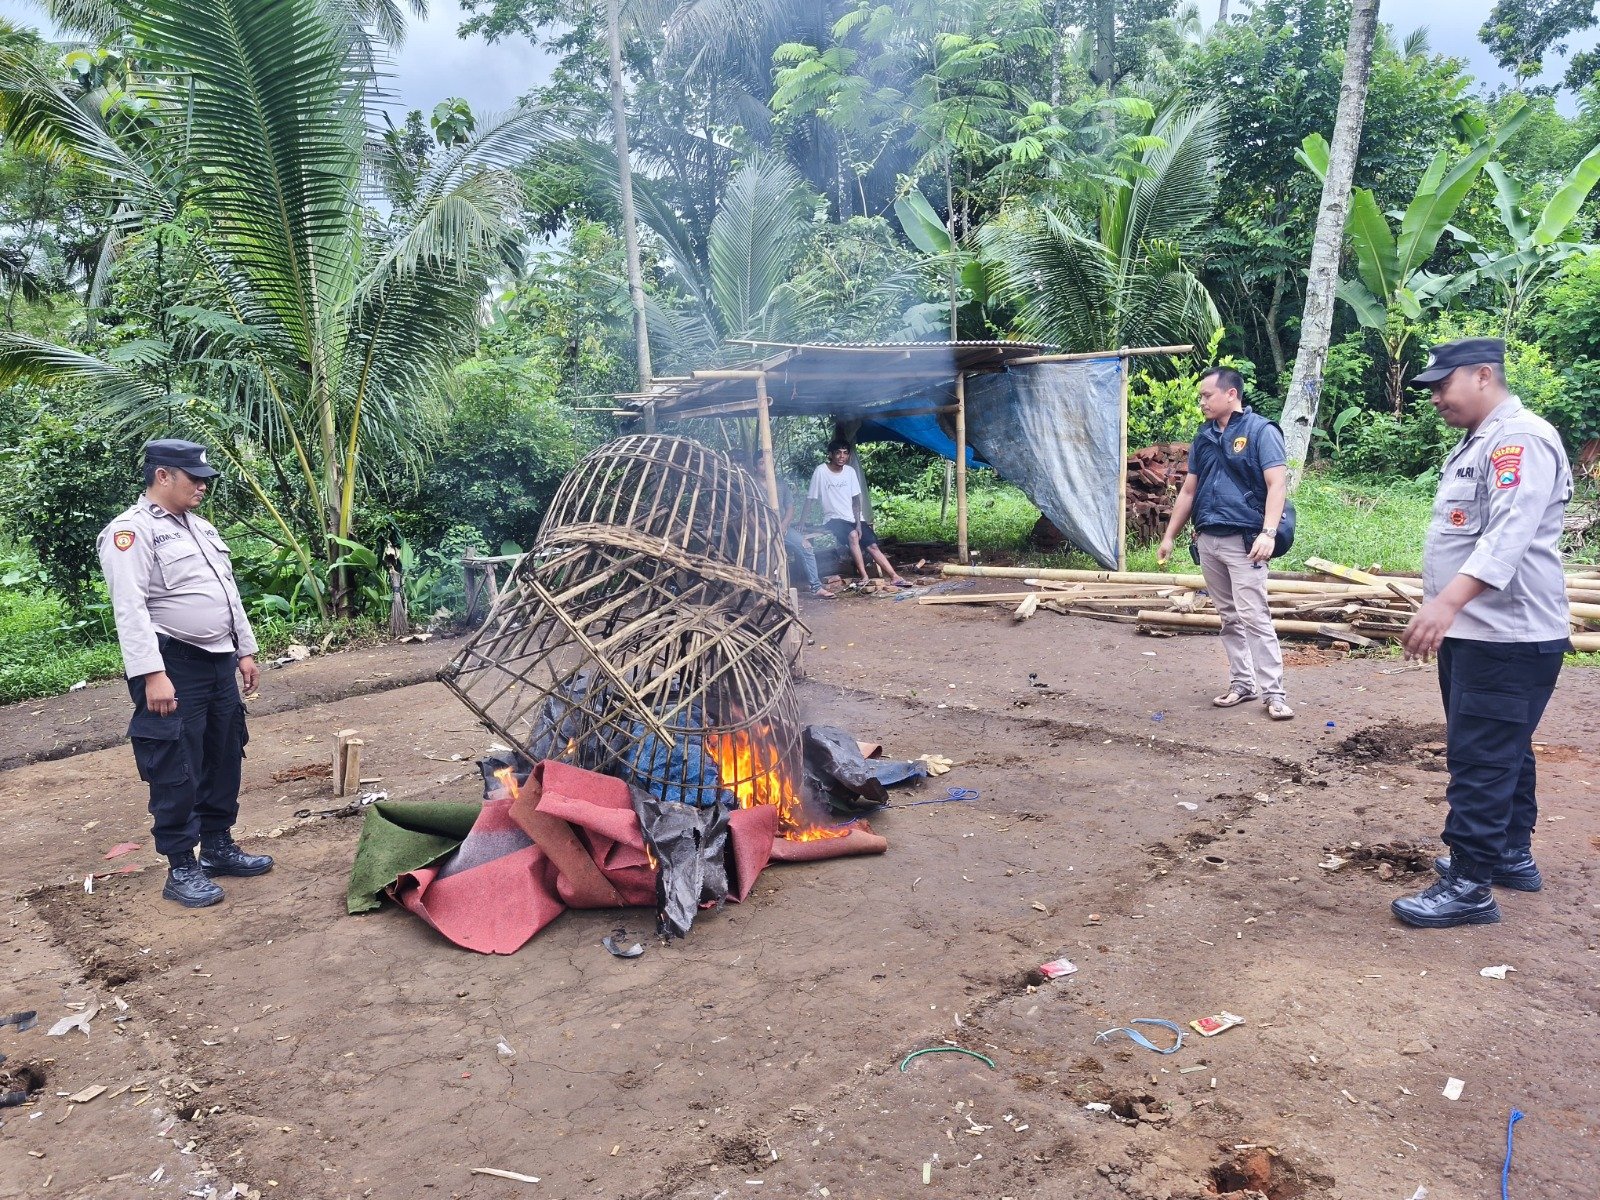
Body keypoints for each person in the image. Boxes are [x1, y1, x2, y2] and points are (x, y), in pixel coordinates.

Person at [1391, 337, 1573, 929]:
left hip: (1507, 638)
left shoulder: (1519, 438)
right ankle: (1509, 857)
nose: (1436, 396)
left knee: (1481, 758)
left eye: (1444, 384)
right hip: (1482, 633)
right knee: (1503, 750)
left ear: (1483, 375)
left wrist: (1445, 603)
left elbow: (1507, 536)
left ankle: (1470, 885)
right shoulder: (1483, 441)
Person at [97, 439, 273, 909]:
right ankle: (181, 866)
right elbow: (129, 609)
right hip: (172, 664)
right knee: (175, 763)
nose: (202, 485)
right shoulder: (131, 533)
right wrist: (152, 673)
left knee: (223, 752)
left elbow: (226, 592)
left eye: (204, 478)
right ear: (162, 476)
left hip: (218, 661)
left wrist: (245, 651)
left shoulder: (200, 528)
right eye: (194, 478)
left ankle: (217, 847)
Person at [1157, 367, 1293, 720]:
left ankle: (1274, 693)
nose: (1202, 401)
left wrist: (1268, 533)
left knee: (1254, 617)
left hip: (1244, 541)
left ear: (1230, 394)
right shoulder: (1203, 437)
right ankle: (1242, 684)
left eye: (1207, 395)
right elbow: (1189, 490)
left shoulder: (1260, 431)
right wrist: (1170, 535)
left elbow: (1277, 485)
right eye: (1201, 396)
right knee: (1229, 618)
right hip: (1208, 541)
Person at [801, 442, 912, 590]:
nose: (842, 456)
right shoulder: (821, 471)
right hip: (833, 518)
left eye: (845, 453)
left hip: (853, 517)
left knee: (871, 545)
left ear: (849, 455)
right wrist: (802, 521)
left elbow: (855, 500)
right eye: (838, 452)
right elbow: (811, 498)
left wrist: (859, 523)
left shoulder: (850, 471)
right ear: (830, 454)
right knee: (853, 535)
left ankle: (894, 577)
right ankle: (864, 576)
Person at [752, 450, 834, 599]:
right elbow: (749, 512)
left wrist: (783, 525)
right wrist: (761, 531)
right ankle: (765, 591)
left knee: (806, 546)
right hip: (762, 529)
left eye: (768, 463)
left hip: (782, 527)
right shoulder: (751, 485)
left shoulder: (781, 484)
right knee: (763, 556)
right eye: (761, 463)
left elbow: (790, 507)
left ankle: (816, 587)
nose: (765, 466)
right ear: (755, 466)